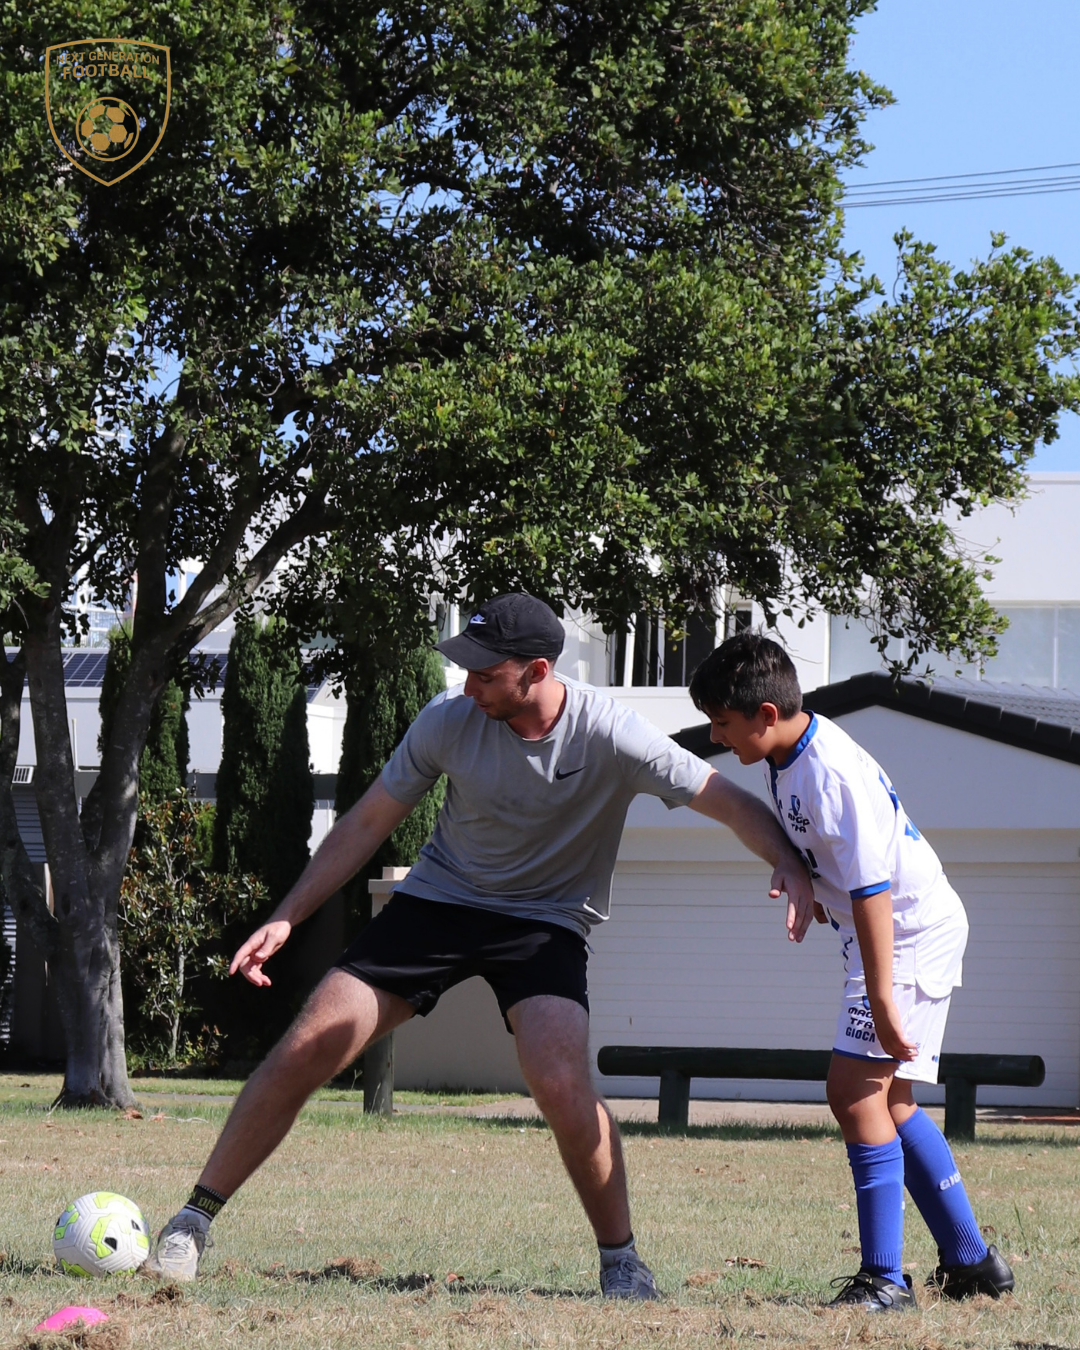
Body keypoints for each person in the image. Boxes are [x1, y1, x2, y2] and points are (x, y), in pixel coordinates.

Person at [144, 593, 815, 1297]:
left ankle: (622, 1261)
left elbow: (726, 798)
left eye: (485, 673)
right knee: (308, 1044)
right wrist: (287, 917)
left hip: (545, 922)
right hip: (441, 901)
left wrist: (789, 863)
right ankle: (193, 1219)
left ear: (537, 670)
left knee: (560, 1079)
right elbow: (367, 821)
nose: (467, 686)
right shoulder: (450, 721)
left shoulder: (612, 734)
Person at [688, 632, 1013, 1312]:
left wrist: (887, 1003)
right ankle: (972, 1261)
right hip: (895, 934)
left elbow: (873, 892)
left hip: (906, 933)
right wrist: (797, 875)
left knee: (853, 1093)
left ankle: (884, 1281)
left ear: (764, 716)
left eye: (722, 722)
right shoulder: (785, 755)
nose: (718, 737)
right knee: (890, 1103)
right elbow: (821, 853)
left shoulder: (827, 770)